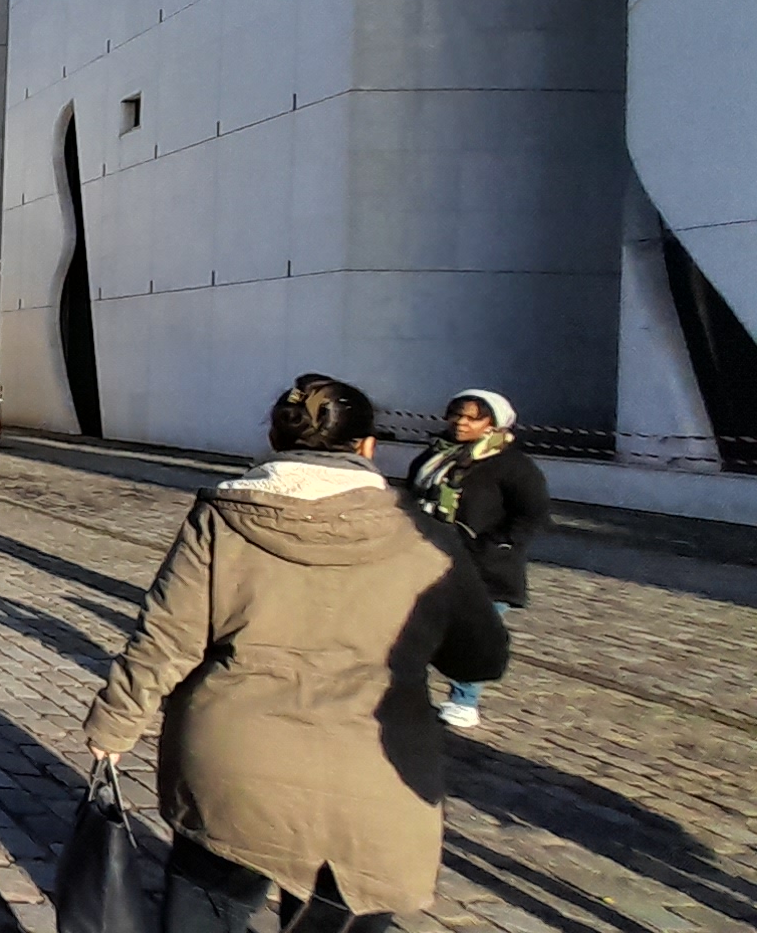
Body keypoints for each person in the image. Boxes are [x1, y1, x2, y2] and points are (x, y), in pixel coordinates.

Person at [82, 377, 510, 933]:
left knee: (205, 914)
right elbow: (481, 659)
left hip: (234, 765)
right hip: (374, 781)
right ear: (368, 446)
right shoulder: (429, 539)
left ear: (277, 440)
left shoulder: (223, 518)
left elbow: (166, 638)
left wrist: (112, 730)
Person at [406, 389, 548, 729]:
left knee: (472, 632)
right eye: (456, 414)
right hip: (431, 558)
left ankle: (464, 700)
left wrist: (496, 545)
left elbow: (532, 513)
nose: (461, 423)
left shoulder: (512, 465)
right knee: (419, 628)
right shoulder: (436, 456)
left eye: (472, 417)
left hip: (486, 570)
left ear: (492, 424)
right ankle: (413, 695)